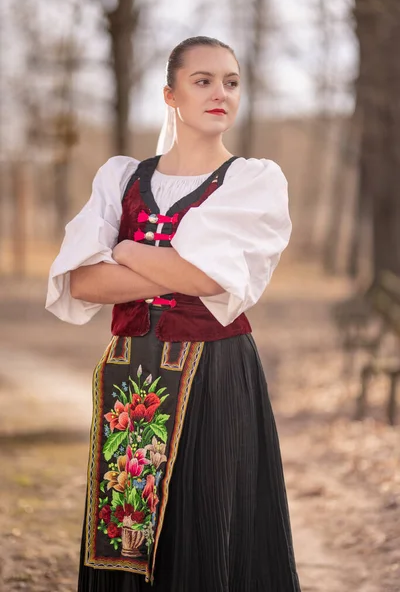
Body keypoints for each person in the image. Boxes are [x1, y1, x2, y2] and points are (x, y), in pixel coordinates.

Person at [46, 36, 301, 592]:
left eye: (231, 82)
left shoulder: (252, 182)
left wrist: (131, 251)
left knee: (206, 514)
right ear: (171, 95)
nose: (220, 93)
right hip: (132, 370)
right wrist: (173, 264)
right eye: (203, 81)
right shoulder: (122, 179)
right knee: (126, 526)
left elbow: (211, 280)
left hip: (216, 372)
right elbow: (83, 280)